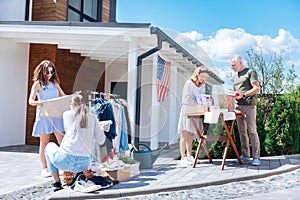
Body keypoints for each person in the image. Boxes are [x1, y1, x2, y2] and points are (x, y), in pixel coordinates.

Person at [44, 94, 107, 191]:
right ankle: (78, 177)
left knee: (49, 146)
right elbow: (101, 140)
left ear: (71, 104)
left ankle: (57, 183)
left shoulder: (66, 115)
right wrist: (102, 129)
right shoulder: (93, 117)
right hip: (84, 164)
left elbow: (68, 130)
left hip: (64, 160)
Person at [28, 60, 66, 178]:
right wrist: (39, 103)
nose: (49, 75)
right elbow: (31, 101)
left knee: (63, 140)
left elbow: (63, 96)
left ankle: (64, 166)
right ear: (41, 72)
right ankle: (45, 169)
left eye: (51, 72)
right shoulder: (37, 84)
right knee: (44, 143)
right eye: (47, 73)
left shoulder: (55, 83)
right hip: (44, 116)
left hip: (56, 115)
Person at [230, 55, 261, 166]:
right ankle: (246, 155)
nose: (231, 67)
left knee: (252, 131)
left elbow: (257, 88)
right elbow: (235, 91)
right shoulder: (234, 76)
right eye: (231, 65)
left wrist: (243, 95)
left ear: (240, 63)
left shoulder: (250, 72)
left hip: (249, 105)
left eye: (233, 65)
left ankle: (256, 157)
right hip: (238, 106)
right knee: (242, 131)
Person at [177, 66, 209, 166]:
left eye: (205, 77)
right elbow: (186, 98)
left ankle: (189, 156)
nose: (203, 78)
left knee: (191, 134)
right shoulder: (189, 83)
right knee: (185, 133)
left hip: (196, 111)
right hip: (187, 110)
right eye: (202, 76)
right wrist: (196, 100)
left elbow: (202, 98)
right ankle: (183, 157)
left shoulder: (202, 86)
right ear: (197, 74)